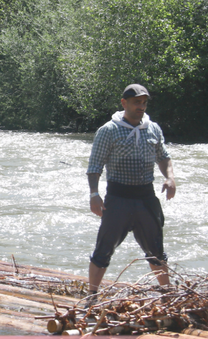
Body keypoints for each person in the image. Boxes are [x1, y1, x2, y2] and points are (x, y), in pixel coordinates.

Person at [86, 84, 176, 298]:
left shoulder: (152, 128)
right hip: (118, 199)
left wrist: (170, 178)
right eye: (137, 102)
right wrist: (94, 194)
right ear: (124, 103)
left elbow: (163, 156)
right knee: (103, 250)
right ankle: (91, 295)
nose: (141, 106)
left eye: (144, 102)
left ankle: (167, 295)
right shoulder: (108, 130)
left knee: (156, 252)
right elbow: (94, 166)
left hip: (146, 199)